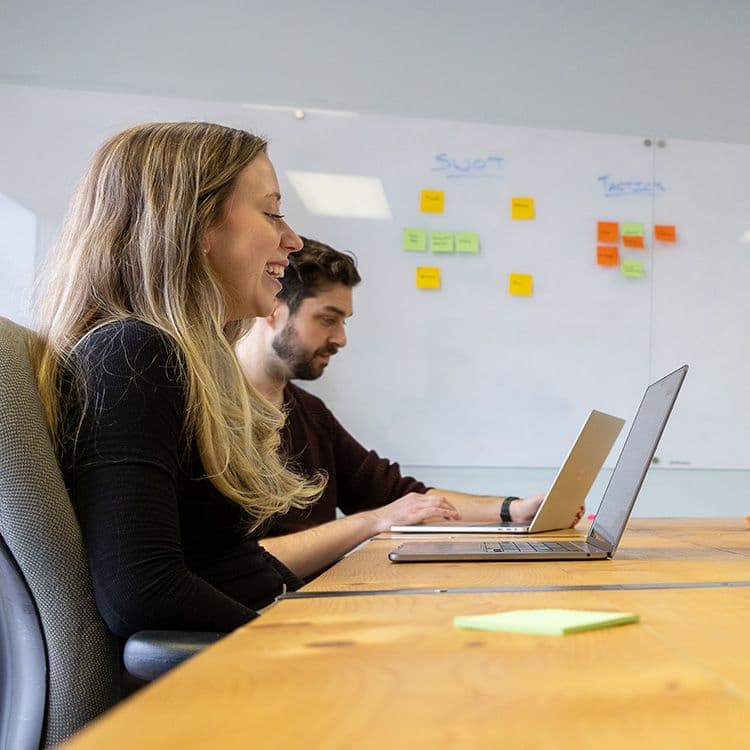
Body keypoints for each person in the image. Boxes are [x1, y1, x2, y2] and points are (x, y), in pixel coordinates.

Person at [32, 122, 327, 638]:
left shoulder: (183, 361)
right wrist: (305, 644)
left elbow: (230, 562)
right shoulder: (131, 356)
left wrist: (324, 615)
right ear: (197, 226)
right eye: (272, 211)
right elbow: (143, 592)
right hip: (220, 683)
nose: (292, 239)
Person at [236, 238, 560, 579]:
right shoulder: (209, 413)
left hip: (314, 606)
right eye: (327, 319)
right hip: (253, 621)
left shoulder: (309, 412)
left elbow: (400, 496)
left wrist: (514, 510)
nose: (341, 338)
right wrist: (374, 520)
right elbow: (239, 566)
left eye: (344, 321)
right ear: (271, 306)